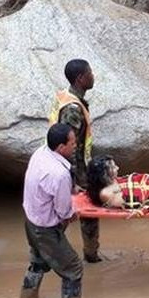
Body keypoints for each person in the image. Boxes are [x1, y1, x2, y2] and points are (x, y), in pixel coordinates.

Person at [20, 123, 83, 298]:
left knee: (38, 263)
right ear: (61, 147)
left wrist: (71, 189)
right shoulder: (60, 174)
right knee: (73, 268)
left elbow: (48, 188)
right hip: (46, 229)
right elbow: (64, 211)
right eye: (72, 143)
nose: (76, 146)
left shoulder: (40, 152)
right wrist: (73, 214)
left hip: (31, 220)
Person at [48, 59, 102, 263]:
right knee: (84, 211)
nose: (93, 76)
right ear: (81, 78)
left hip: (72, 168)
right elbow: (69, 148)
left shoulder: (67, 97)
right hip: (74, 170)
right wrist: (73, 181)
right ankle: (90, 255)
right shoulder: (72, 108)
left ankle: (47, 253)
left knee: (68, 212)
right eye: (90, 73)